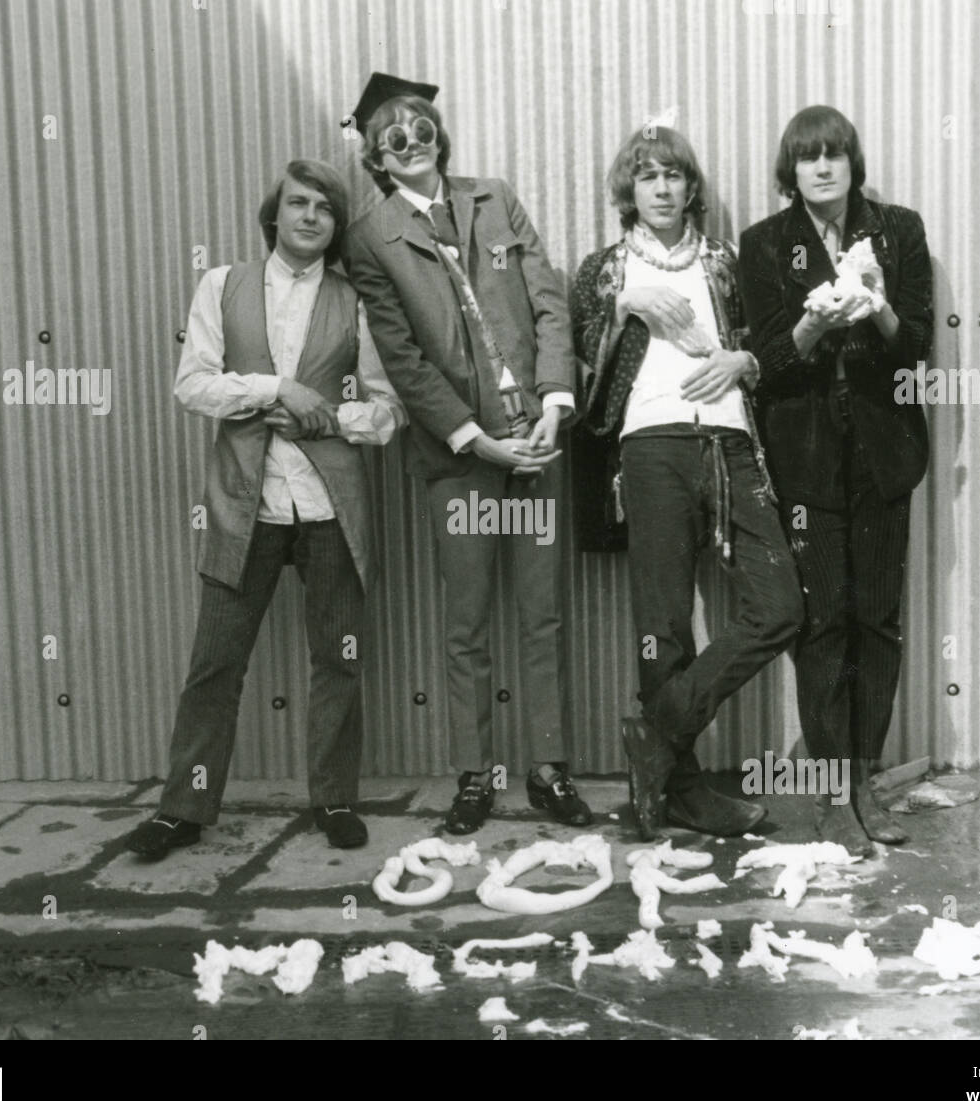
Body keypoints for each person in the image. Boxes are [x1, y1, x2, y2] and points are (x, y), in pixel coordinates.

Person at [125, 159, 404, 860]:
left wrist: (326, 418)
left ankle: (334, 798)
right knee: (215, 664)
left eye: (325, 209)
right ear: (274, 214)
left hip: (330, 507)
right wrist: (276, 388)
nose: (310, 216)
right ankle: (183, 809)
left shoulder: (354, 300)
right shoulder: (223, 285)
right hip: (244, 505)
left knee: (339, 658)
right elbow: (192, 386)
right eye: (299, 203)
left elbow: (387, 409)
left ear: (335, 227)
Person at [343, 73, 591, 834]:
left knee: (543, 616)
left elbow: (548, 301)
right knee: (467, 621)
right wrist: (475, 439)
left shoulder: (495, 198)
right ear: (377, 158)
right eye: (394, 138)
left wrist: (556, 403)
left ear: (438, 136)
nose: (411, 143)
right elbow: (403, 357)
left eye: (422, 129)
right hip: (462, 458)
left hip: (537, 444)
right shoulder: (371, 237)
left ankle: (548, 770)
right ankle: (475, 776)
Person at [571, 124, 802, 840]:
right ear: (629, 190)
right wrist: (626, 305)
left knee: (781, 605)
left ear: (690, 186)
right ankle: (684, 791)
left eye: (673, 175)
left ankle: (658, 730)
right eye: (647, 176)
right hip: (651, 446)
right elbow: (583, 363)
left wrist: (744, 362)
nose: (662, 188)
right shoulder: (606, 268)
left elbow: (766, 343)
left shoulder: (726, 261)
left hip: (731, 443)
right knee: (663, 626)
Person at [738, 105, 933, 854]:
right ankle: (830, 794)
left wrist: (878, 308)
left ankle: (863, 782)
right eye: (808, 157)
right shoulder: (765, 243)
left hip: (883, 452)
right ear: (790, 170)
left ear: (853, 163)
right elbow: (768, 366)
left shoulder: (899, 230)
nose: (822, 168)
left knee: (877, 619)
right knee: (822, 622)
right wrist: (815, 322)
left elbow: (916, 348)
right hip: (807, 455)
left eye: (834, 154)